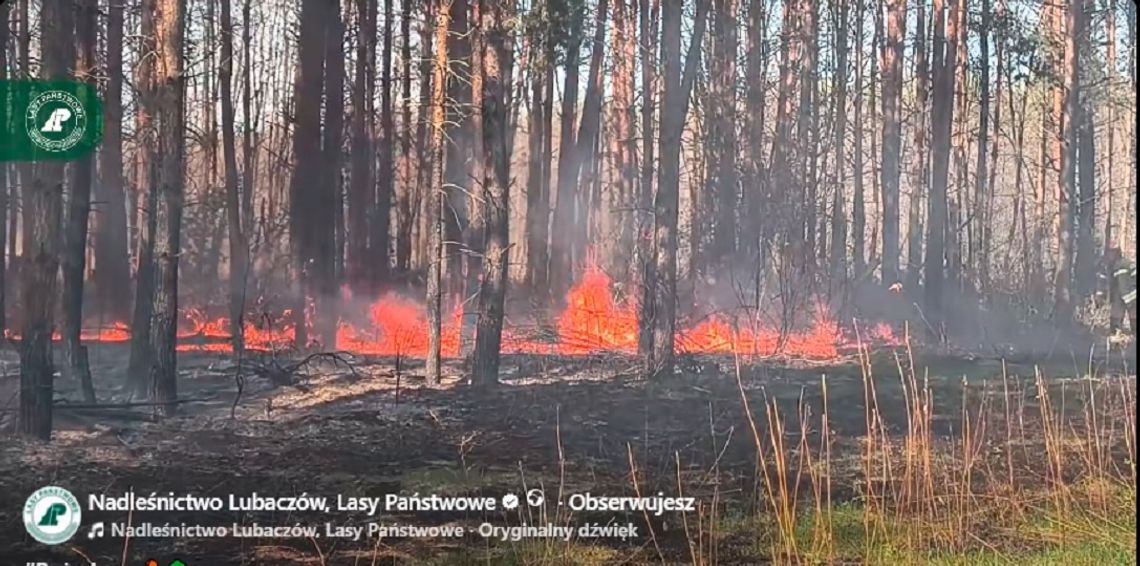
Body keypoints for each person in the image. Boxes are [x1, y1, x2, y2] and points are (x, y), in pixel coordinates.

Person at [1100, 246, 1137, 336]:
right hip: (1130, 292)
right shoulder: (1123, 263)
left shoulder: (1120, 267)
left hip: (1131, 294)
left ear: (1114, 255)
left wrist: (1129, 303)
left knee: (1128, 311)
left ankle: (1116, 331)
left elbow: (1123, 287)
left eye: (1109, 255)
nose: (1108, 258)